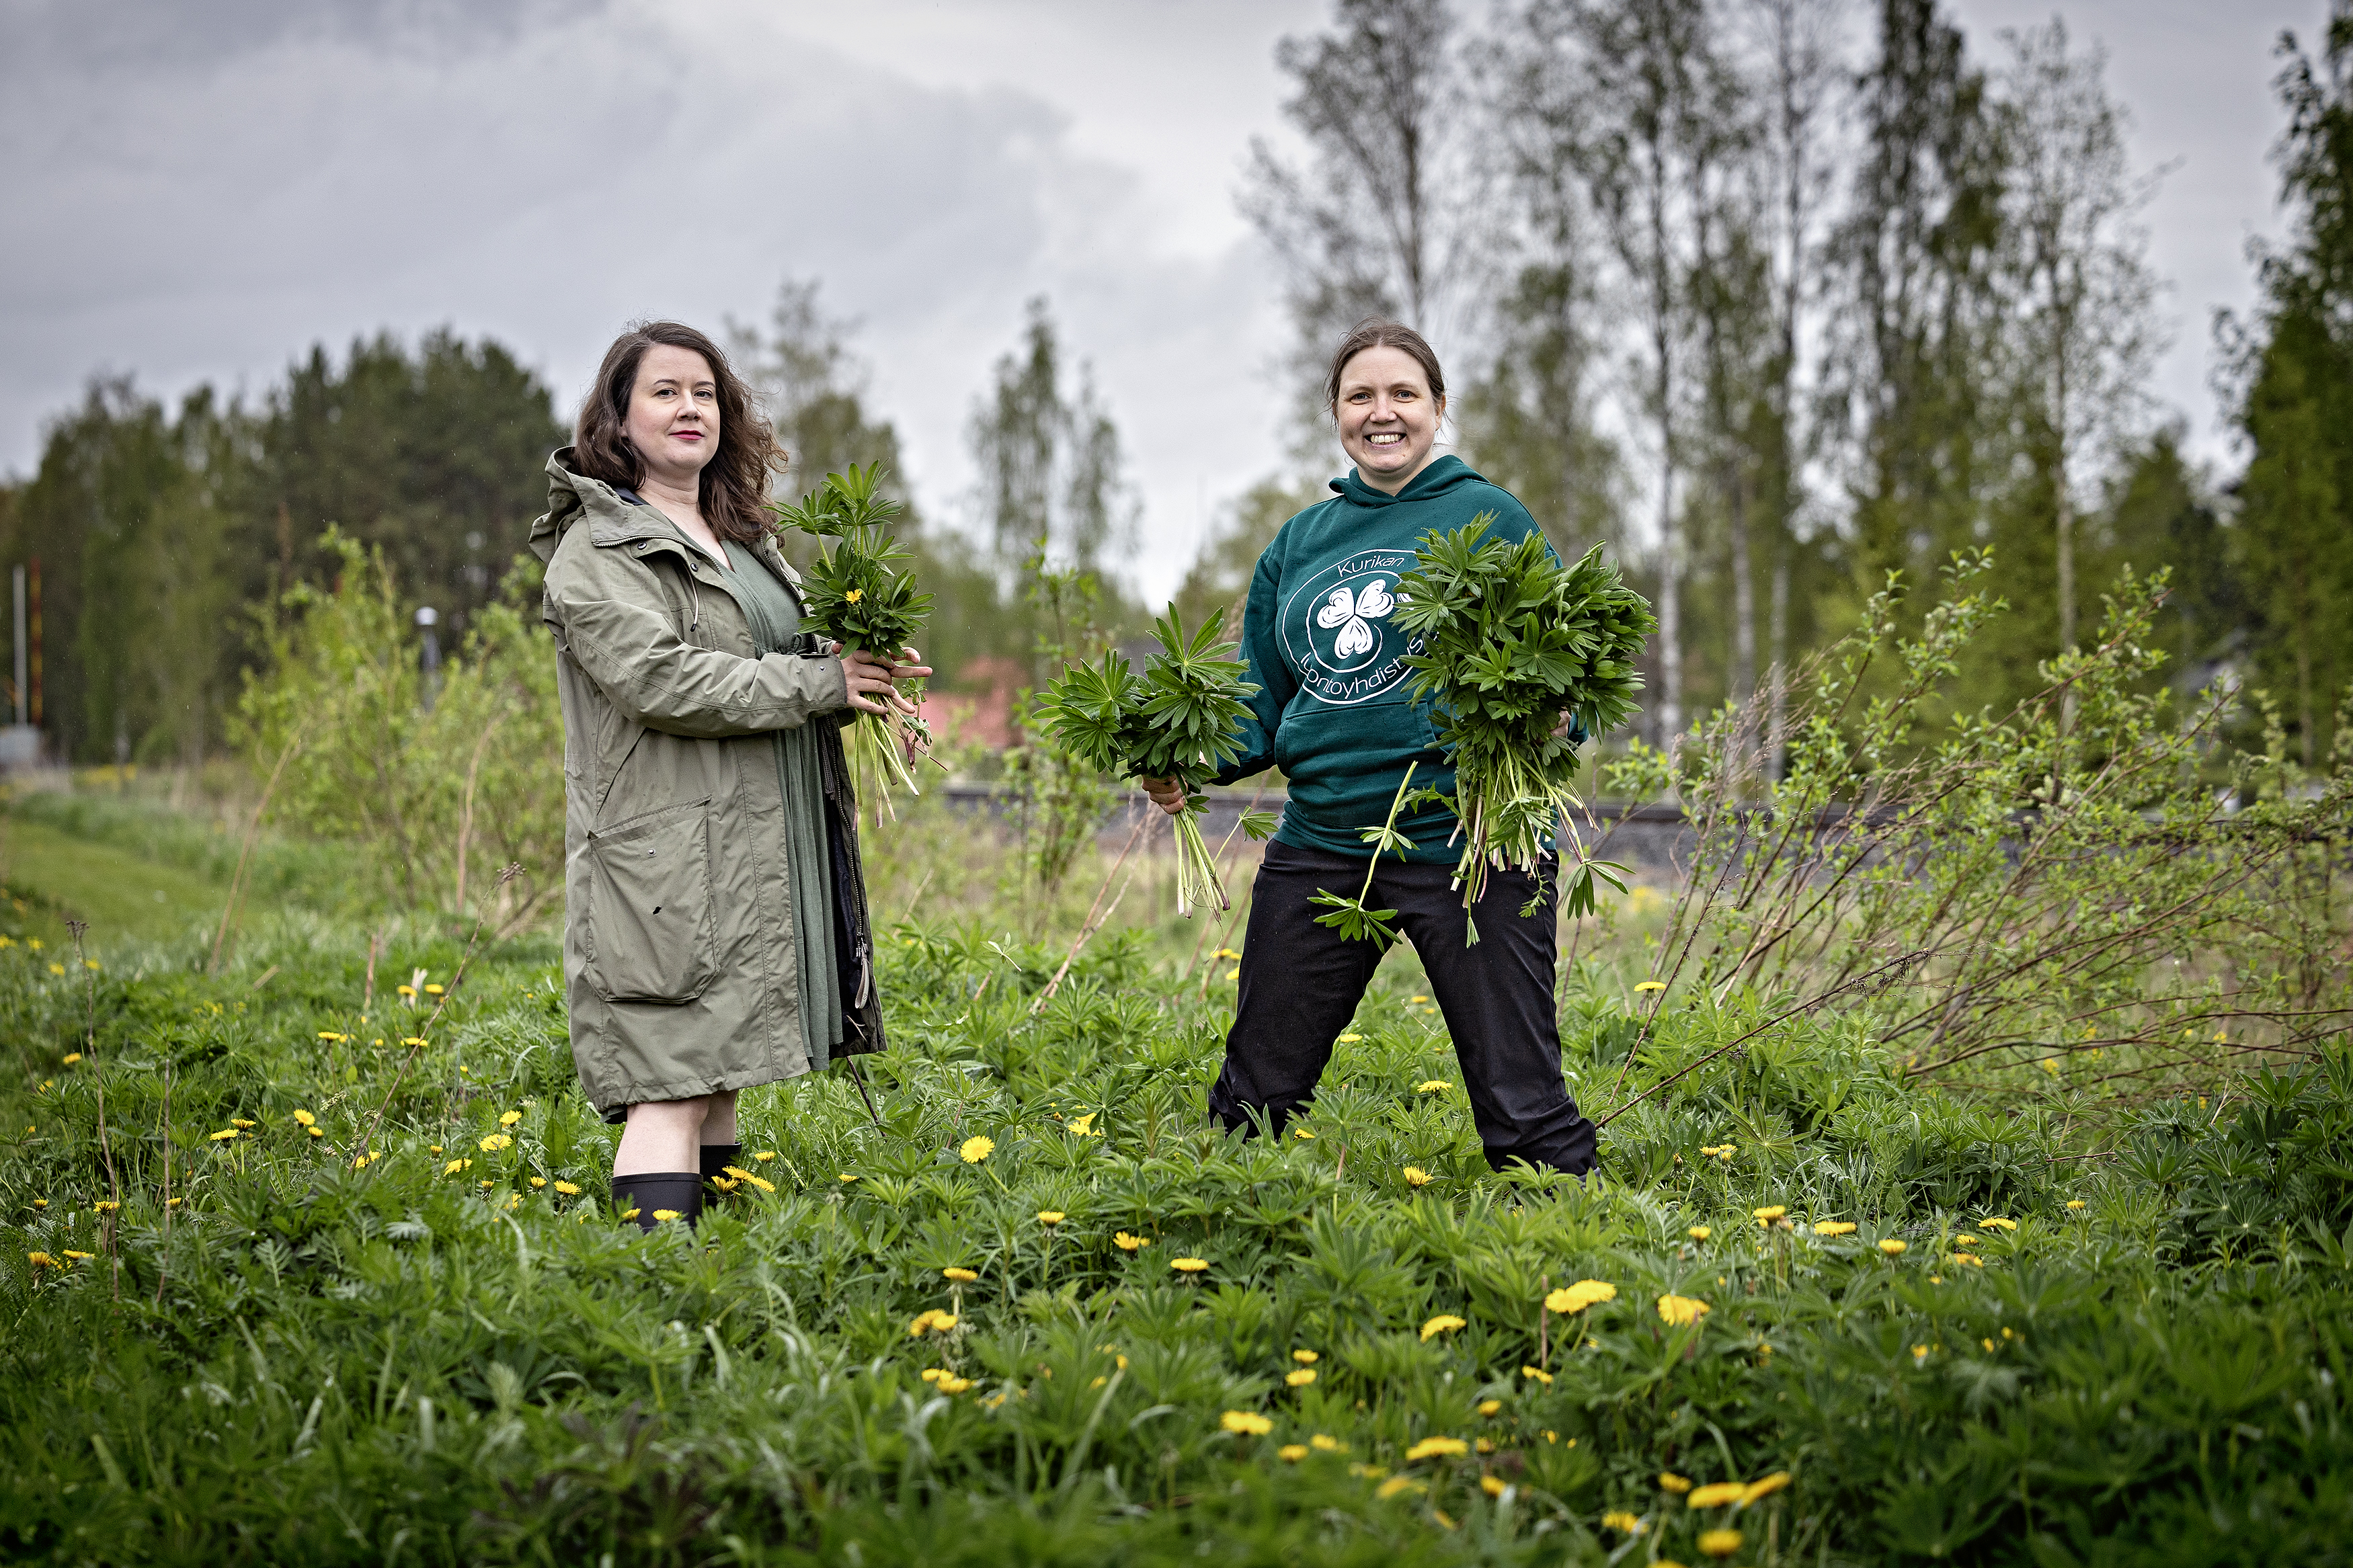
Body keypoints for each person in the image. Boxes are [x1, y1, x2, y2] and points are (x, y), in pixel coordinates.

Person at [1142, 318, 1599, 1177]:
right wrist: (1189, 759)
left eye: (1402, 394)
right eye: (1361, 396)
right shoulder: (1300, 543)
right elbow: (1265, 699)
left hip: (1470, 843)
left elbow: (1564, 667)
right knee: (1255, 1094)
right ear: (1335, 412)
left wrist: (1554, 717)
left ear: (1436, 409)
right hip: (1323, 840)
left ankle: (1571, 1248)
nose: (1380, 413)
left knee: (1521, 1107)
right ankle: (1230, 1237)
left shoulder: (1490, 516)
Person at [528, 321, 928, 1229]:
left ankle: (714, 1295)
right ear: (618, 418)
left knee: (716, 1084)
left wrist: (856, 666)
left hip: (748, 844)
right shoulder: (597, 551)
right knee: (669, 1084)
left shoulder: (741, 540)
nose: (689, 408)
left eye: (704, 393)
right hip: (666, 860)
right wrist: (819, 682)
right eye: (665, 391)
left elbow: (767, 654)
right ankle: (648, 1294)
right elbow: (661, 678)